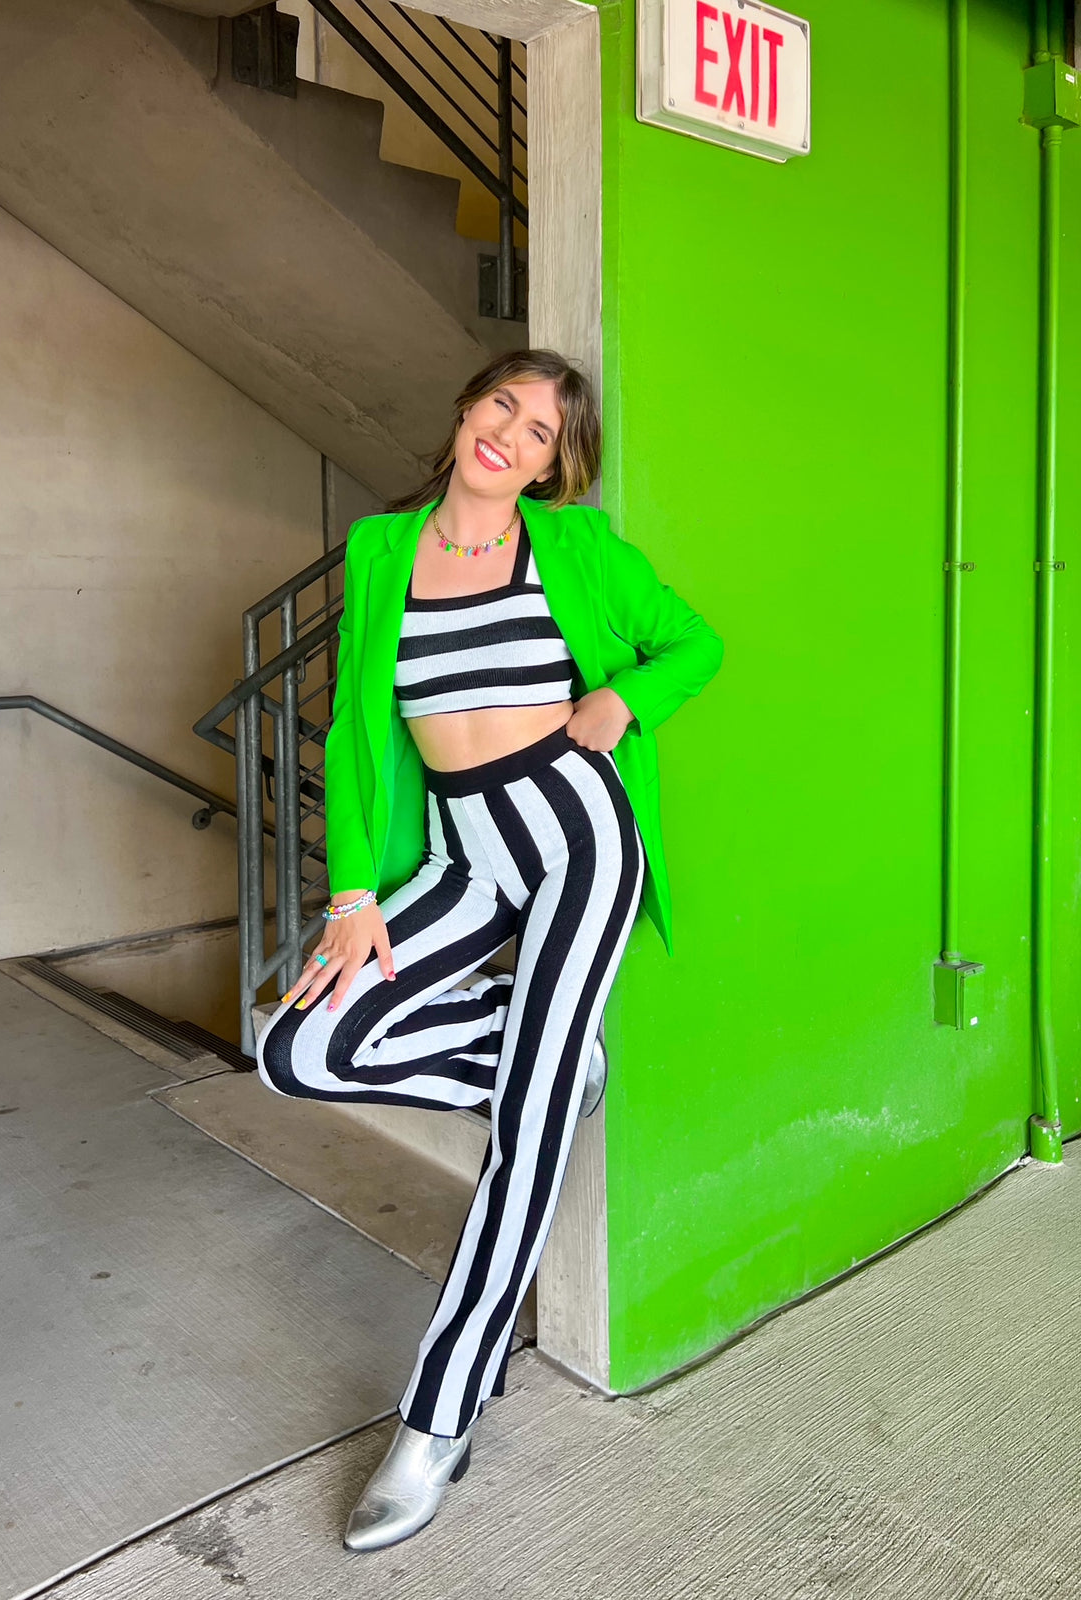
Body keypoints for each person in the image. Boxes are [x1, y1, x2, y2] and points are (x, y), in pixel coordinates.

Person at [256, 348, 724, 1552]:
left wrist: (621, 702)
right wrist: (352, 891)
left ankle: (437, 1416)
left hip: (575, 835)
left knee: (525, 1134)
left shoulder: (577, 547)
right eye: (502, 404)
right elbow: (358, 729)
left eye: (540, 431)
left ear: (552, 467)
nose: (511, 433)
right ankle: (551, 1061)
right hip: (461, 855)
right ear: (467, 408)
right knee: (300, 1048)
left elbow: (695, 645)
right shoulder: (380, 550)